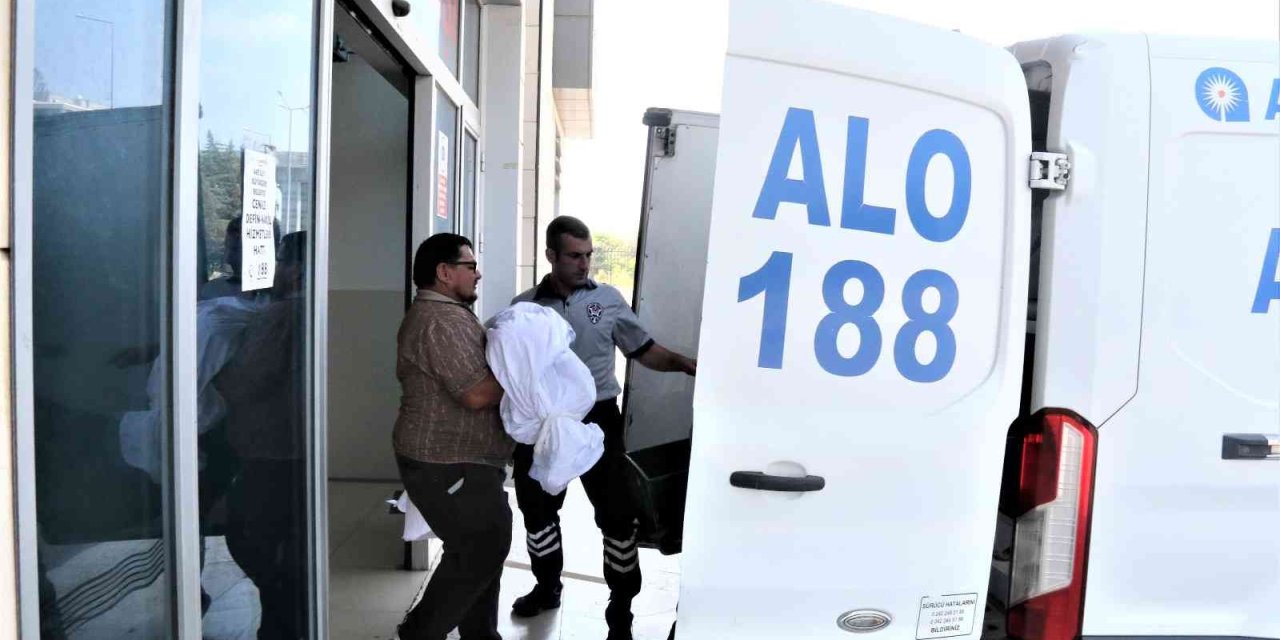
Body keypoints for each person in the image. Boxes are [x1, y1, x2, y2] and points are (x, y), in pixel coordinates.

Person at [509, 216, 696, 640]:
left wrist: (683, 364)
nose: (584, 263)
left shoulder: (607, 300)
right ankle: (546, 585)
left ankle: (621, 605)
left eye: (588, 255)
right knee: (537, 512)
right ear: (551, 255)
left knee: (618, 515)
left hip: (598, 418)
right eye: (574, 256)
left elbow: (643, 349)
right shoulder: (525, 308)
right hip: (544, 424)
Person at [392, 233, 514, 640]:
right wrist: (525, 373)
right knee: (481, 547)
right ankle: (419, 633)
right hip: (446, 461)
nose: (477, 274)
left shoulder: (448, 315)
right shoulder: (440, 321)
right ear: (444, 272)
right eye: (470, 266)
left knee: (482, 548)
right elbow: (476, 393)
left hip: (461, 459)